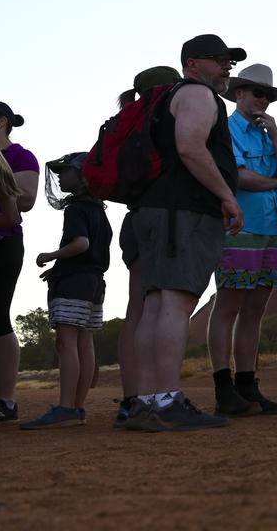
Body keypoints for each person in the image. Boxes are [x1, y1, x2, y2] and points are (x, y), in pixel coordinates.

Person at [125, 34, 245, 431]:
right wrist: (227, 196)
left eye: (229, 60)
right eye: (219, 60)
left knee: (156, 304)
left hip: (156, 210)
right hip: (184, 213)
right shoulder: (197, 94)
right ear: (193, 63)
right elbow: (191, 147)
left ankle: (145, 401)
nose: (227, 67)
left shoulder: (165, 99)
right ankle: (167, 400)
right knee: (174, 304)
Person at [207, 64, 277, 416]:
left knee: (255, 310)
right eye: (257, 92)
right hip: (237, 227)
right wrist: (274, 181)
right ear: (239, 93)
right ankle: (222, 386)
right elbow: (240, 177)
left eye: (268, 95)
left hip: (268, 229)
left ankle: (247, 385)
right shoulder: (227, 129)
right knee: (229, 304)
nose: (263, 99)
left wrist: (276, 136)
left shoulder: (266, 133)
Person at [111, 67, 182, 427]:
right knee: (154, 305)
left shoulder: (127, 124)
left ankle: (132, 398)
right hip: (159, 220)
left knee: (136, 309)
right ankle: (151, 398)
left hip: (133, 219)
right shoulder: (160, 122)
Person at [20, 152, 111, 429]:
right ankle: (77, 407)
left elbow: (81, 244)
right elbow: (92, 250)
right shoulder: (98, 210)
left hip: (74, 282)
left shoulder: (75, 209)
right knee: (85, 342)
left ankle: (65, 408)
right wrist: (58, 265)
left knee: (66, 343)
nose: (60, 175)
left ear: (82, 176)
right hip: (94, 282)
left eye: (65, 171)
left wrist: (51, 255)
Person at [0, 99, 37, 423]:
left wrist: (2, 182)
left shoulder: (21, 157)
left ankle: (5, 400)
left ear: (0, 122)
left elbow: (26, 201)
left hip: (4, 242)